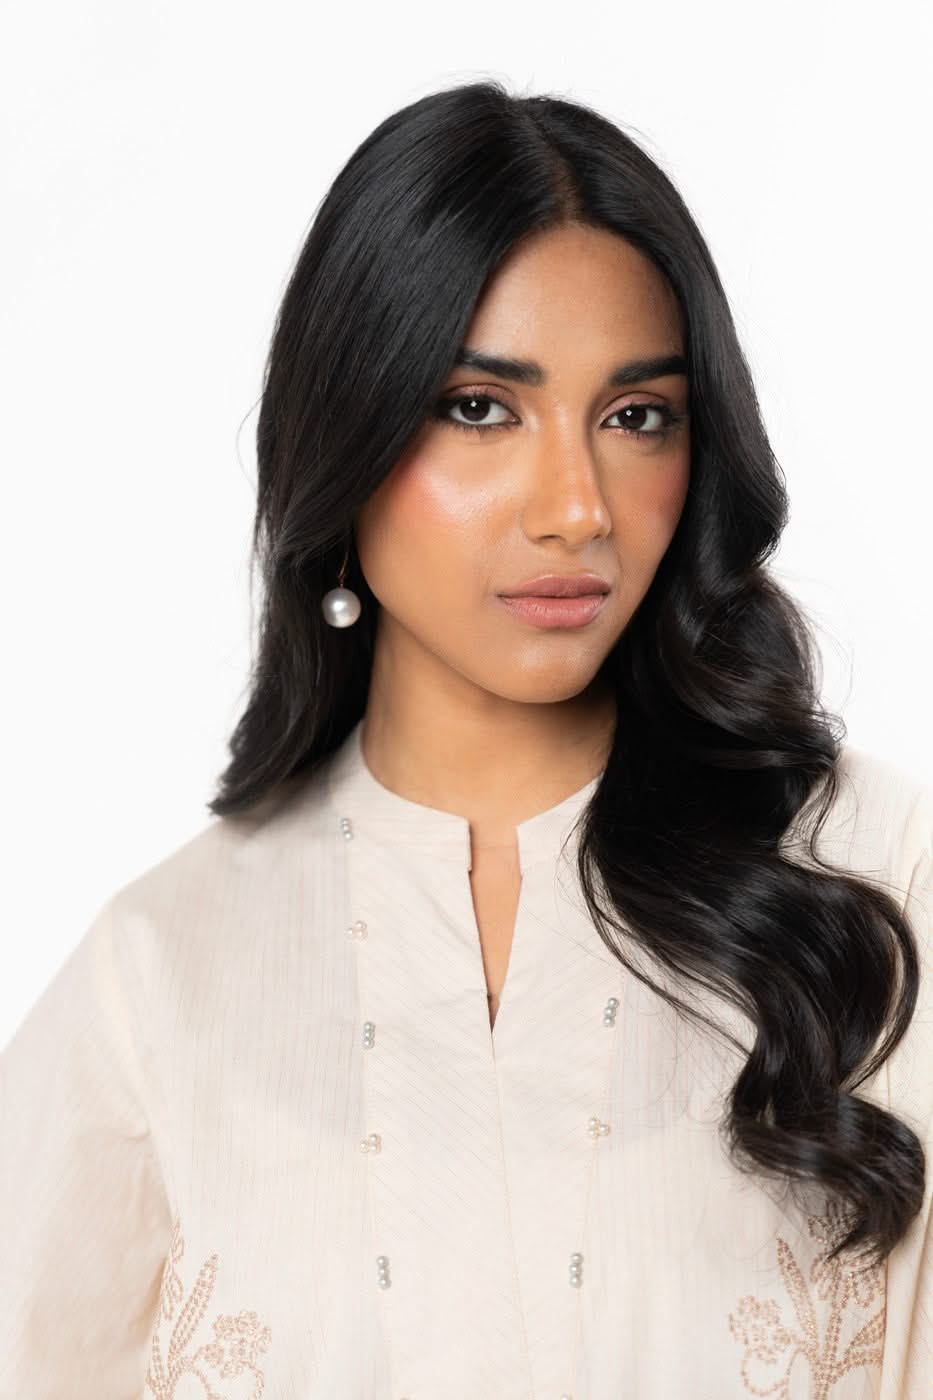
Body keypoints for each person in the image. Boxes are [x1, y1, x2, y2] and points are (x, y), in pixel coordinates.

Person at [1, 80, 930, 1400]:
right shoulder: (163, 973)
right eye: (481, 408)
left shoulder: (874, 887)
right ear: (347, 433)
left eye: (636, 417)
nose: (576, 507)